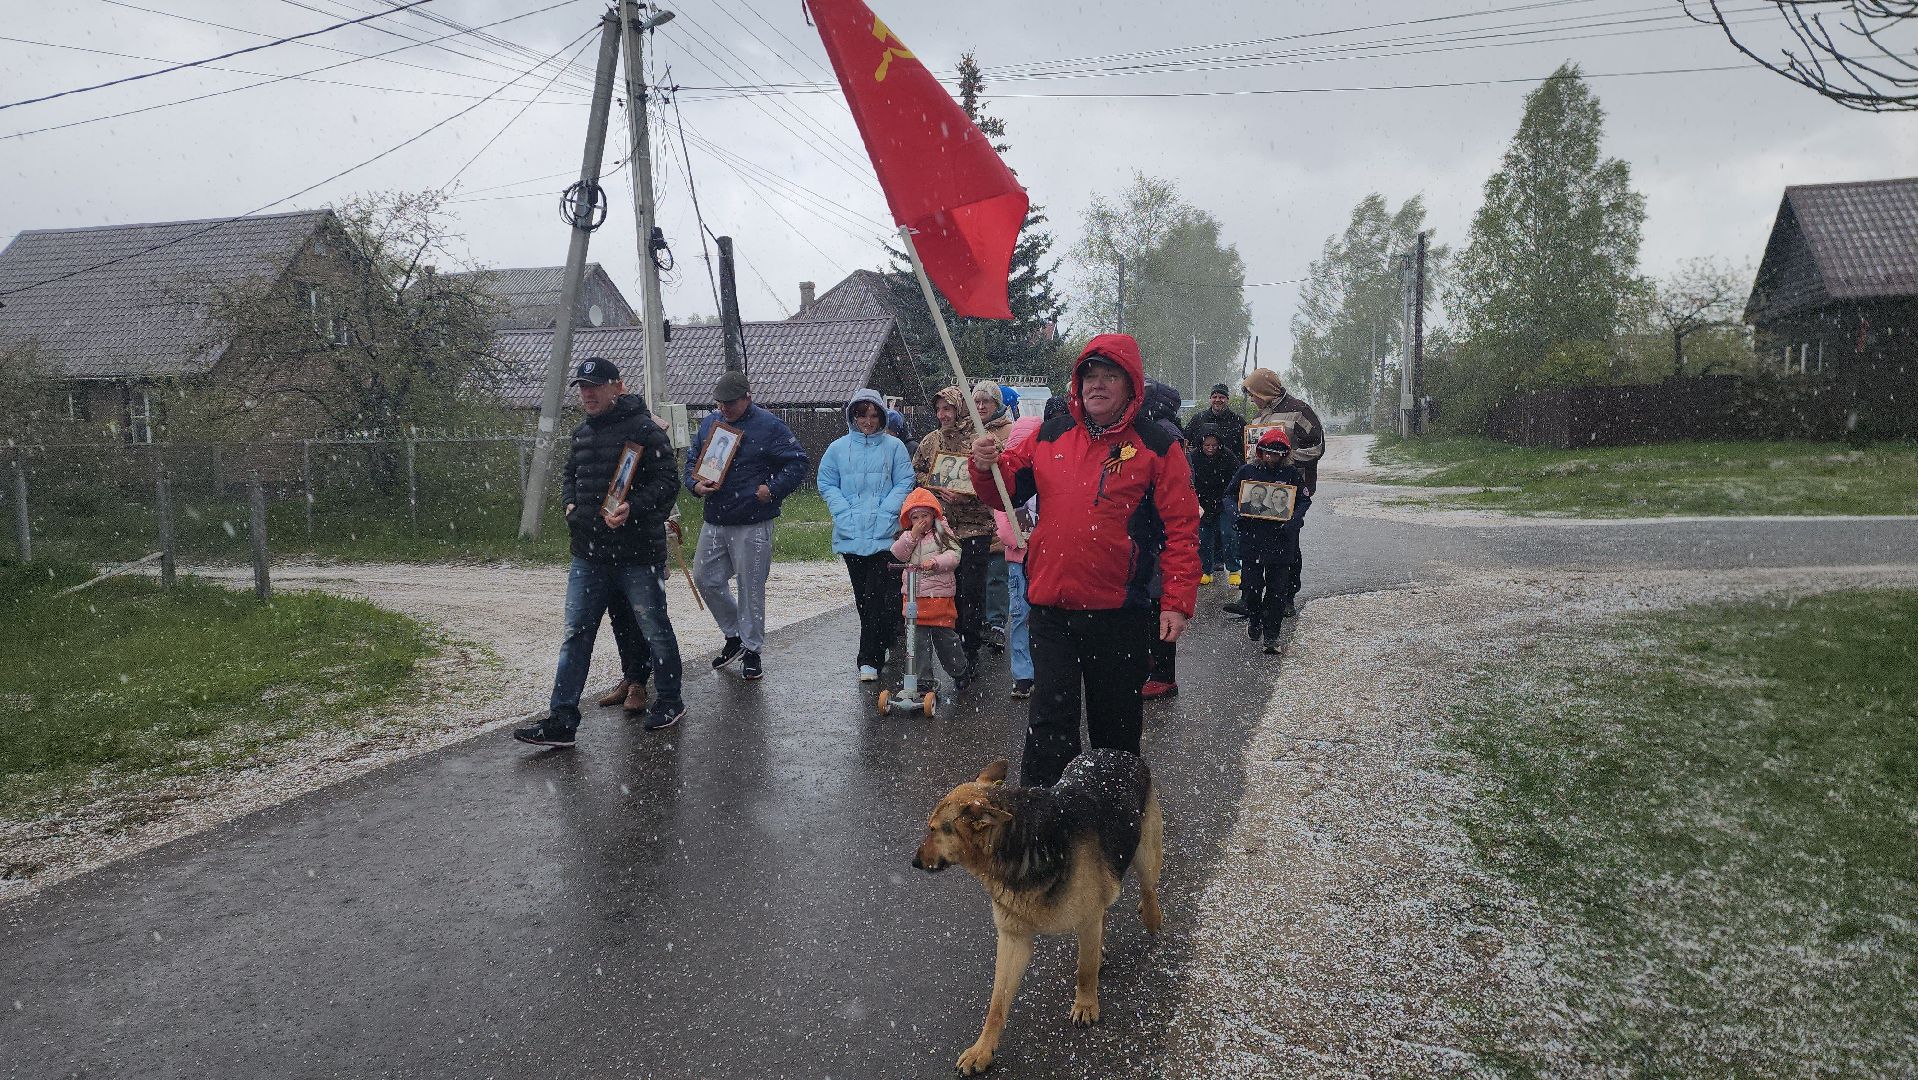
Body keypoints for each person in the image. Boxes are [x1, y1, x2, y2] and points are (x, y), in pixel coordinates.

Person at [970, 334, 1201, 788]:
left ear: (1130, 385)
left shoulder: (1156, 446)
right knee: (1049, 728)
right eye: (1089, 375)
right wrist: (983, 466)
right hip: (1051, 609)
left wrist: (1176, 600)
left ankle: (1113, 836)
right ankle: (1045, 834)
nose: (1097, 385)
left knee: (1114, 734)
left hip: (1120, 612)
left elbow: (1182, 528)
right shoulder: (1050, 433)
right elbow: (1003, 490)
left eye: (1109, 375)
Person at [515, 358, 686, 747]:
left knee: (654, 629)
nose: (587, 394)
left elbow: (667, 481)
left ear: (617, 387)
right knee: (576, 634)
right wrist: (568, 505)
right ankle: (562, 720)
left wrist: (634, 508)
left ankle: (671, 701)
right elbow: (570, 477)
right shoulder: (582, 434)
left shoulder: (644, 429)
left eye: (595, 385)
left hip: (638, 555)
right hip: (588, 555)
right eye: (582, 387)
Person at [685, 370, 809, 681]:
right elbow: (692, 461)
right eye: (720, 403)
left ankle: (752, 650)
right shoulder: (710, 424)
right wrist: (694, 484)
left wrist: (773, 488)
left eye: (730, 403)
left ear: (747, 398)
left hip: (753, 519)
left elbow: (798, 461)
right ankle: (734, 636)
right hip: (715, 517)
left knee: (750, 587)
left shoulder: (769, 426)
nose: (724, 408)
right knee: (705, 578)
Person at [818, 388, 917, 681]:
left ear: (882, 416)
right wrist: (843, 512)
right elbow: (826, 482)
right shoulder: (837, 449)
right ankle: (881, 641)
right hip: (851, 533)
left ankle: (868, 659)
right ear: (853, 415)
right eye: (863, 415)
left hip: (885, 535)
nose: (869, 421)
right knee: (863, 598)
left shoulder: (894, 447)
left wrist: (887, 511)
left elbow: (904, 481)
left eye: (874, 415)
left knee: (879, 597)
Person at [913, 384, 1004, 677]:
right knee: (945, 587)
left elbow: (998, 475)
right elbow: (916, 473)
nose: (943, 415)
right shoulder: (930, 441)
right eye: (939, 409)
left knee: (971, 589)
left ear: (959, 409)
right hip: (944, 527)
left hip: (976, 526)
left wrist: (971, 494)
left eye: (948, 409)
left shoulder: (980, 438)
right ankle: (950, 645)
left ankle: (970, 647)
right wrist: (934, 486)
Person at [1242, 368, 1324, 616]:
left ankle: (1286, 596)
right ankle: (1252, 598)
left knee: (1287, 542)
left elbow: (1316, 447)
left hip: (1290, 489)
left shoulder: (1299, 410)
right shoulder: (1257, 419)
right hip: (1261, 490)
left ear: (1264, 391)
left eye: (1253, 394)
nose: (1251, 399)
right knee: (1257, 543)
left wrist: (1285, 458)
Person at [1227, 427, 1312, 655]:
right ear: (1260, 452)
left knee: (1277, 591)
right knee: (1253, 589)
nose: (1271, 458)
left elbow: (1304, 500)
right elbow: (1229, 495)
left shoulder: (1291, 474)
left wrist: (1295, 519)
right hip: (1252, 539)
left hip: (1281, 540)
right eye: (1266, 453)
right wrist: (1236, 515)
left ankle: (1272, 635)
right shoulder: (1247, 471)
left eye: (1276, 454)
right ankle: (1255, 618)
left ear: (1283, 455)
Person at [891, 488, 969, 696]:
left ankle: (959, 670)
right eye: (915, 517)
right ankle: (924, 680)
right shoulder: (908, 536)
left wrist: (935, 562)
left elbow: (955, 554)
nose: (920, 521)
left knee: (945, 640)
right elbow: (898, 554)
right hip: (915, 597)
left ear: (933, 514)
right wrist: (912, 535)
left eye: (924, 516)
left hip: (939, 595)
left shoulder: (941, 532)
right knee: (918, 641)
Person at [1139, 378, 1189, 701]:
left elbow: (1180, 483)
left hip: (1158, 533)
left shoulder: (1164, 433)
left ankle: (1162, 675)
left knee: (1160, 605)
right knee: (1150, 604)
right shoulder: (1158, 427)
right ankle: (1153, 668)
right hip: (1151, 532)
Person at [1191, 426, 1243, 586]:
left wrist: (1230, 500)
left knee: (1229, 535)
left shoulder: (1228, 456)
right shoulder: (1193, 457)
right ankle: (1205, 570)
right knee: (1203, 539)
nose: (1210, 448)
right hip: (1202, 503)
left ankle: (1234, 569)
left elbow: (1237, 479)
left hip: (1224, 503)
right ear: (1201, 444)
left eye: (1214, 445)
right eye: (1207, 445)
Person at [1183, 382, 1246, 454]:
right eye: (1214, 397)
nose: (1217, 400)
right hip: (1202, 464)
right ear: (1210, 399)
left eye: (1221, 397)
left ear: (1227, 399)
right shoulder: (1198, 419)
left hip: (1230, 463)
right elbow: (1186, 440)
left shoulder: (1238, 421)